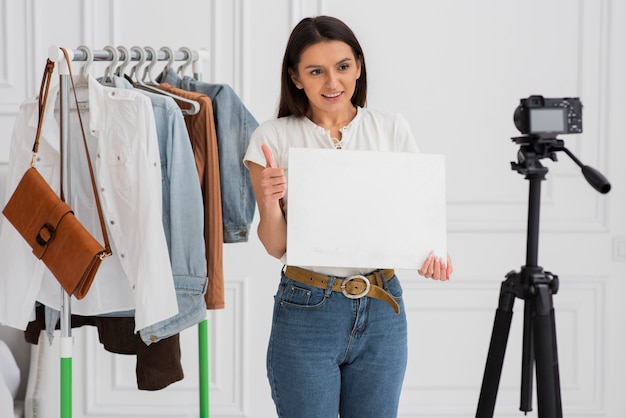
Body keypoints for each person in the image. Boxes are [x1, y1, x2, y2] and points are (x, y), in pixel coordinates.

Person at [243, 15, 453, 418]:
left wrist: (433, 255)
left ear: (358, 66)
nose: (332, 83)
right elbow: (275, 247)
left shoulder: (391, 129)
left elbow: (414, 214)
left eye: (342, 67)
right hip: (307, 309)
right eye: (316, 71)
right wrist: (270, 201)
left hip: (382, 307)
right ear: (296, 77)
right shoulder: (272, 137)